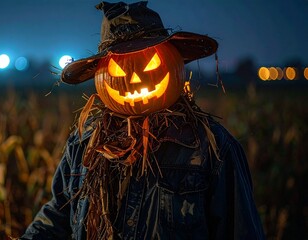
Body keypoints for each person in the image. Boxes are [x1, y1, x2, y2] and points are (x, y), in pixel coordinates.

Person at [20, 1, 265, 239]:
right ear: (101, 73)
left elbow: (239, 230)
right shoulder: (84, 143)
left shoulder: (212, 147)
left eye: (149, 62)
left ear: (173, 61)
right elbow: (60, 214)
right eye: (119, 69)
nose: (135, 80)